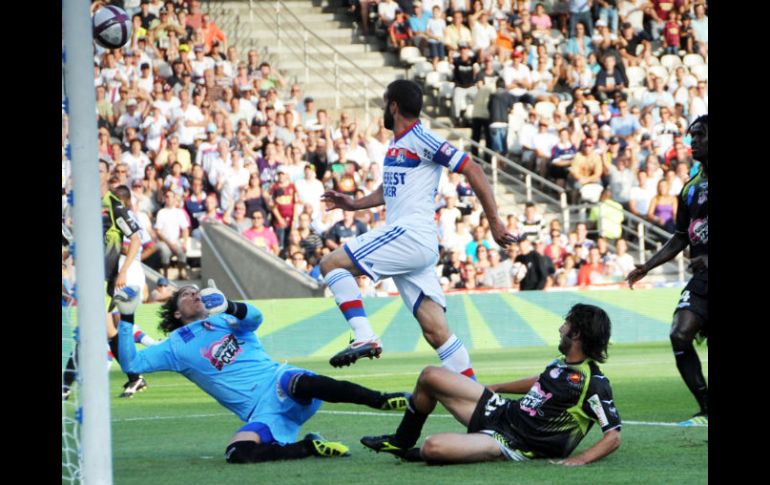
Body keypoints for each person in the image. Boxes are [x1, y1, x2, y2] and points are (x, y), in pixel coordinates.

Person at [319, 80, 518, 373]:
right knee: (436, 332)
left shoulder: (422, 139)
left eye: (386, 102)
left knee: (331, 264)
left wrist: (494, 222)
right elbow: (388, 190)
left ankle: (364, 336)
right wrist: (353, 204)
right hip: (414, 245)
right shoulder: (397, 145)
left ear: (394, 106)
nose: (384, 109)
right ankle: (479, 404)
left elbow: (472, 167)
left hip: (410, 234)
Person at [111, 282, 410, 464]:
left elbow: (255, 317)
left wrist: (229, 305)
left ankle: (380, 400)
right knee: (236, 453)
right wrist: (126, 315)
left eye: (196, 290)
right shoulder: (174, 347)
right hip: (263, 413)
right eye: (187, 295)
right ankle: (307, 446)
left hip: (278, 381)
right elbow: (132, 364)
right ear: (177, 313)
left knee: (301, 381)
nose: (194, 293)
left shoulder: (225, 319)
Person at [360, 303, 621, 465]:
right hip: (504, 411)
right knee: (430, 375)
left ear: (576, 333)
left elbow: (613, 436)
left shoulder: (594, 383)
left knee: (433, 447)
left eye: (566, 324)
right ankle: (402, 440)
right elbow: (541, 383)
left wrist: (580, 459)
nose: (561, 329)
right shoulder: (561, 363)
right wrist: (498, 387)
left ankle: (466, 449)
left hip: (512, 443)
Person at [627, 114, 708, 426]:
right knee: (679, 334)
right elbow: (679, 237)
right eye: (692, 136)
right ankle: (705, 408)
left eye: (700, 135)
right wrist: (647, 266)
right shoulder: (689, 188)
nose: (694, 141)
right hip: (702, 279)